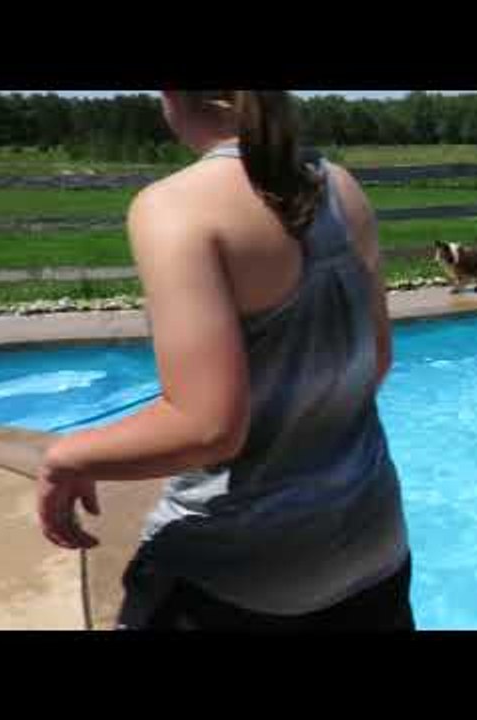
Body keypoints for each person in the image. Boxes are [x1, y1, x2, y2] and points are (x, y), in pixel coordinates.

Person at [35, 91, 414, 631]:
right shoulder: (340, 186)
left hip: (241, 569)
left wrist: (68, 456)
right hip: (374, 545)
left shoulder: (176, 208)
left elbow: (208, 427)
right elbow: (374, 361)